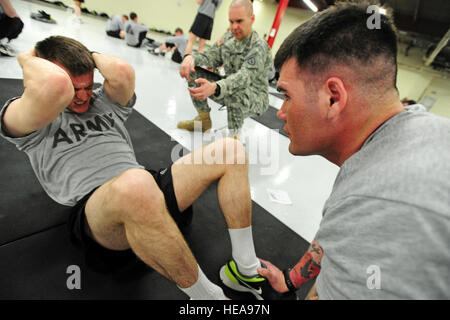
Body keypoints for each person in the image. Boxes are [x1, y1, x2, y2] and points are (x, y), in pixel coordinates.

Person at [0, 35, 271, 300]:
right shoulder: (32, 119)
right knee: (135, 183)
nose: (82, 96)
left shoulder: (103, 100)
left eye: (87, 86)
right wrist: (27, 57)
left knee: (230, 150)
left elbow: (121, 71)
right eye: (74, 89)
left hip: (146, 189)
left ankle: (245, 269)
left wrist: (85, 55)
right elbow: (53, 86)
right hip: (98, 212)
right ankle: (208, 299)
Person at [258, 1, 450, 299]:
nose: (281, 111)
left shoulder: (377, 201)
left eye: (286, 95)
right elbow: (332, 236)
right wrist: (291, 280)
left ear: (333, 97)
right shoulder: (407, 138)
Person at [178, 0, 272, 136]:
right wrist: (191, 58)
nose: (234, 26)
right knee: (195, 72)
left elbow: (244, 77)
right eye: (231, 21)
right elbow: (211, 56)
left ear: (252, 19)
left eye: (239, 21)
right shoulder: (228, 38)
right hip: (227, 86)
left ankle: (233, 138)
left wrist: (216, 87)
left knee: (236, 92)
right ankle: (203, 120)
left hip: (255, 96)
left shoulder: (259, 46)